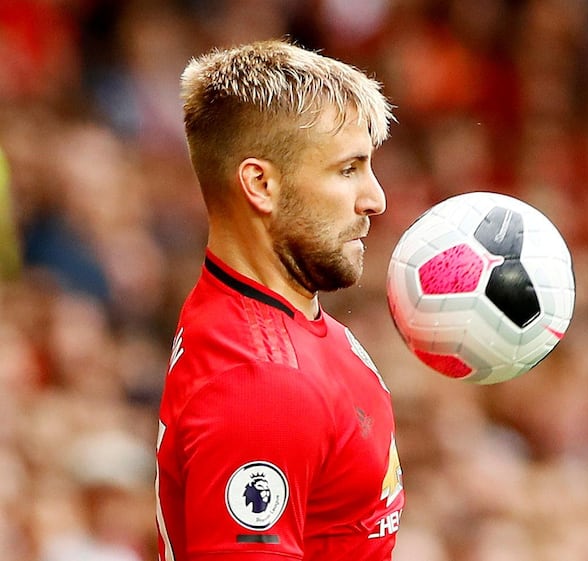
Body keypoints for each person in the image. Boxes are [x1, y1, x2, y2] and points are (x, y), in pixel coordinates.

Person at [155, 39, 403, 561]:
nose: (374, 198)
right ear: (261, 184)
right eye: (347, 169)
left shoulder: (270, 320)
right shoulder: (263, 383)